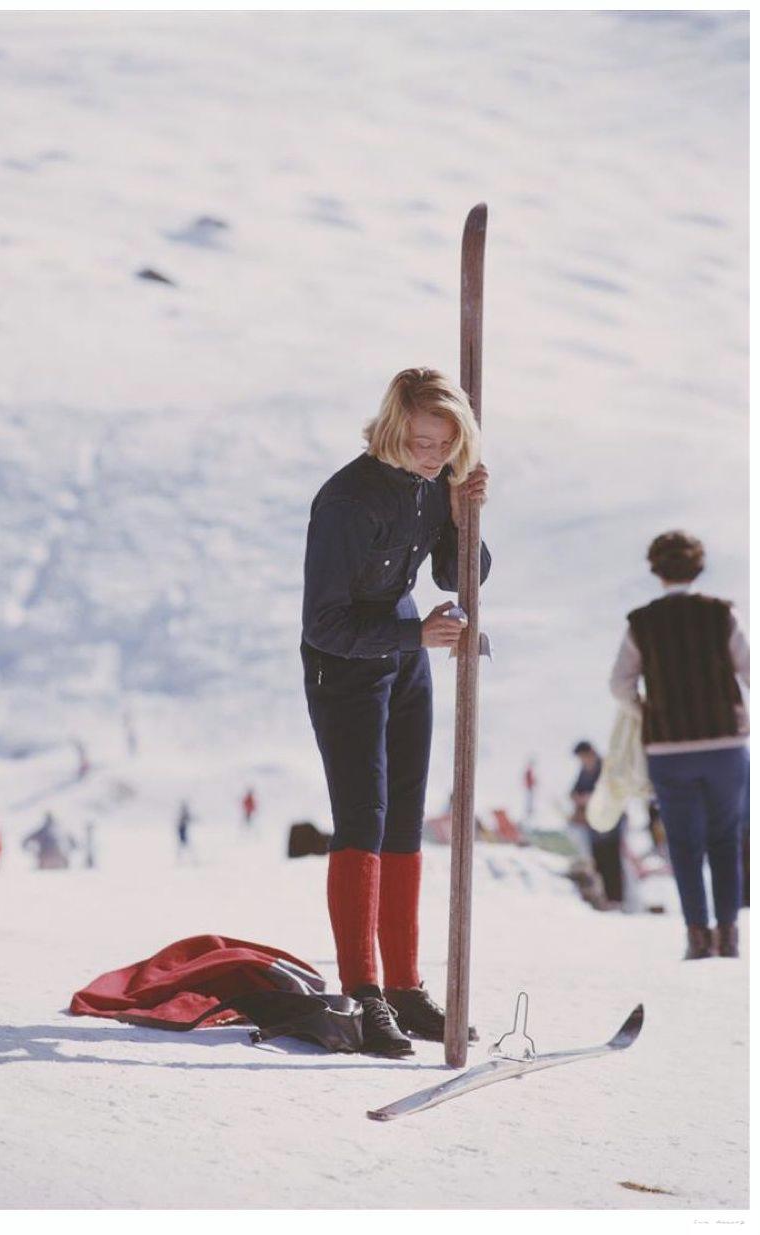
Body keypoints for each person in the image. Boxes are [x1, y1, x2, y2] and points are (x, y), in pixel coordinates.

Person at [301, 367, 491, 1056]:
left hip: (407, 653)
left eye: (444, 443)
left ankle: (407, 989)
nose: (433, 454)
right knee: (365, 815)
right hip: (346, 663)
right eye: (420, 441)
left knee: (406, 814)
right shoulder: (346, 501)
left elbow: (453, 573)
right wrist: (415, 635)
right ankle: (365, 993)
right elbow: (324, 622)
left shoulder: (433, 484)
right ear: (392, 427)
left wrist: (464, 514)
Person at [610, 531, 750, 959]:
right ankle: (728, 934)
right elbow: (749, 668)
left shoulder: (641, 622)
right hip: (725, 743)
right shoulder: (720, 614)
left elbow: (620, 684)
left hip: (668, 749)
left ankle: (697, 936)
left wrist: (645, 711)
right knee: (726, 838)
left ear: (656, 571)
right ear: (699, 567)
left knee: (685, 844)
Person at [569, 741, 625, 909]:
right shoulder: (584, 771)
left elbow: (613, 791)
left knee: (612, 860)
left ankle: (616, 899)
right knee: (599, 860)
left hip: (609, 822)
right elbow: (574, 790)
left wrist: (590, 797)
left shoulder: (605, 769)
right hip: (592, 824)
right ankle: (604, 899)